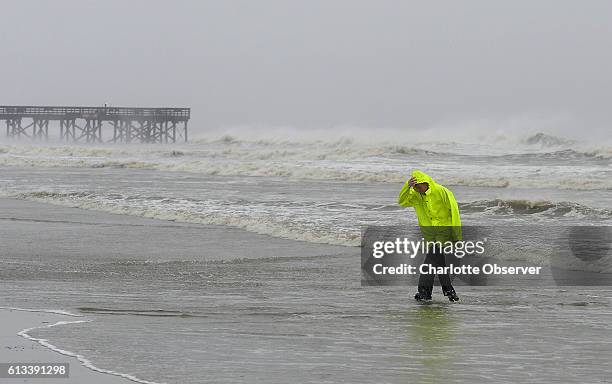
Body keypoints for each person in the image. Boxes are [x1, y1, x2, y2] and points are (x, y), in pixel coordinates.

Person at [397, 170, 461, 302]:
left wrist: (456, 235)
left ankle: (427, 292)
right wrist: (406, 186)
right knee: (437, 262)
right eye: (415, 188)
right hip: (429, 234)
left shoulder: (441, 191)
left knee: (430, 262)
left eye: (419, 187)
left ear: (425, 183)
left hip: (444, 231)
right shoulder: (416, 195)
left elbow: (454, 212)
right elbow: (402, 201)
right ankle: (444, 292)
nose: (418, 190)